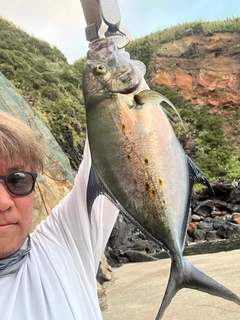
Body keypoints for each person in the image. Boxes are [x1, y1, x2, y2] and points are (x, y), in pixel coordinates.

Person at [0, 109, 118, 320]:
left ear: (33, 187)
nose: (3, 203)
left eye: (17, 180)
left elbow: (118, 132)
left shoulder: (65, 244)